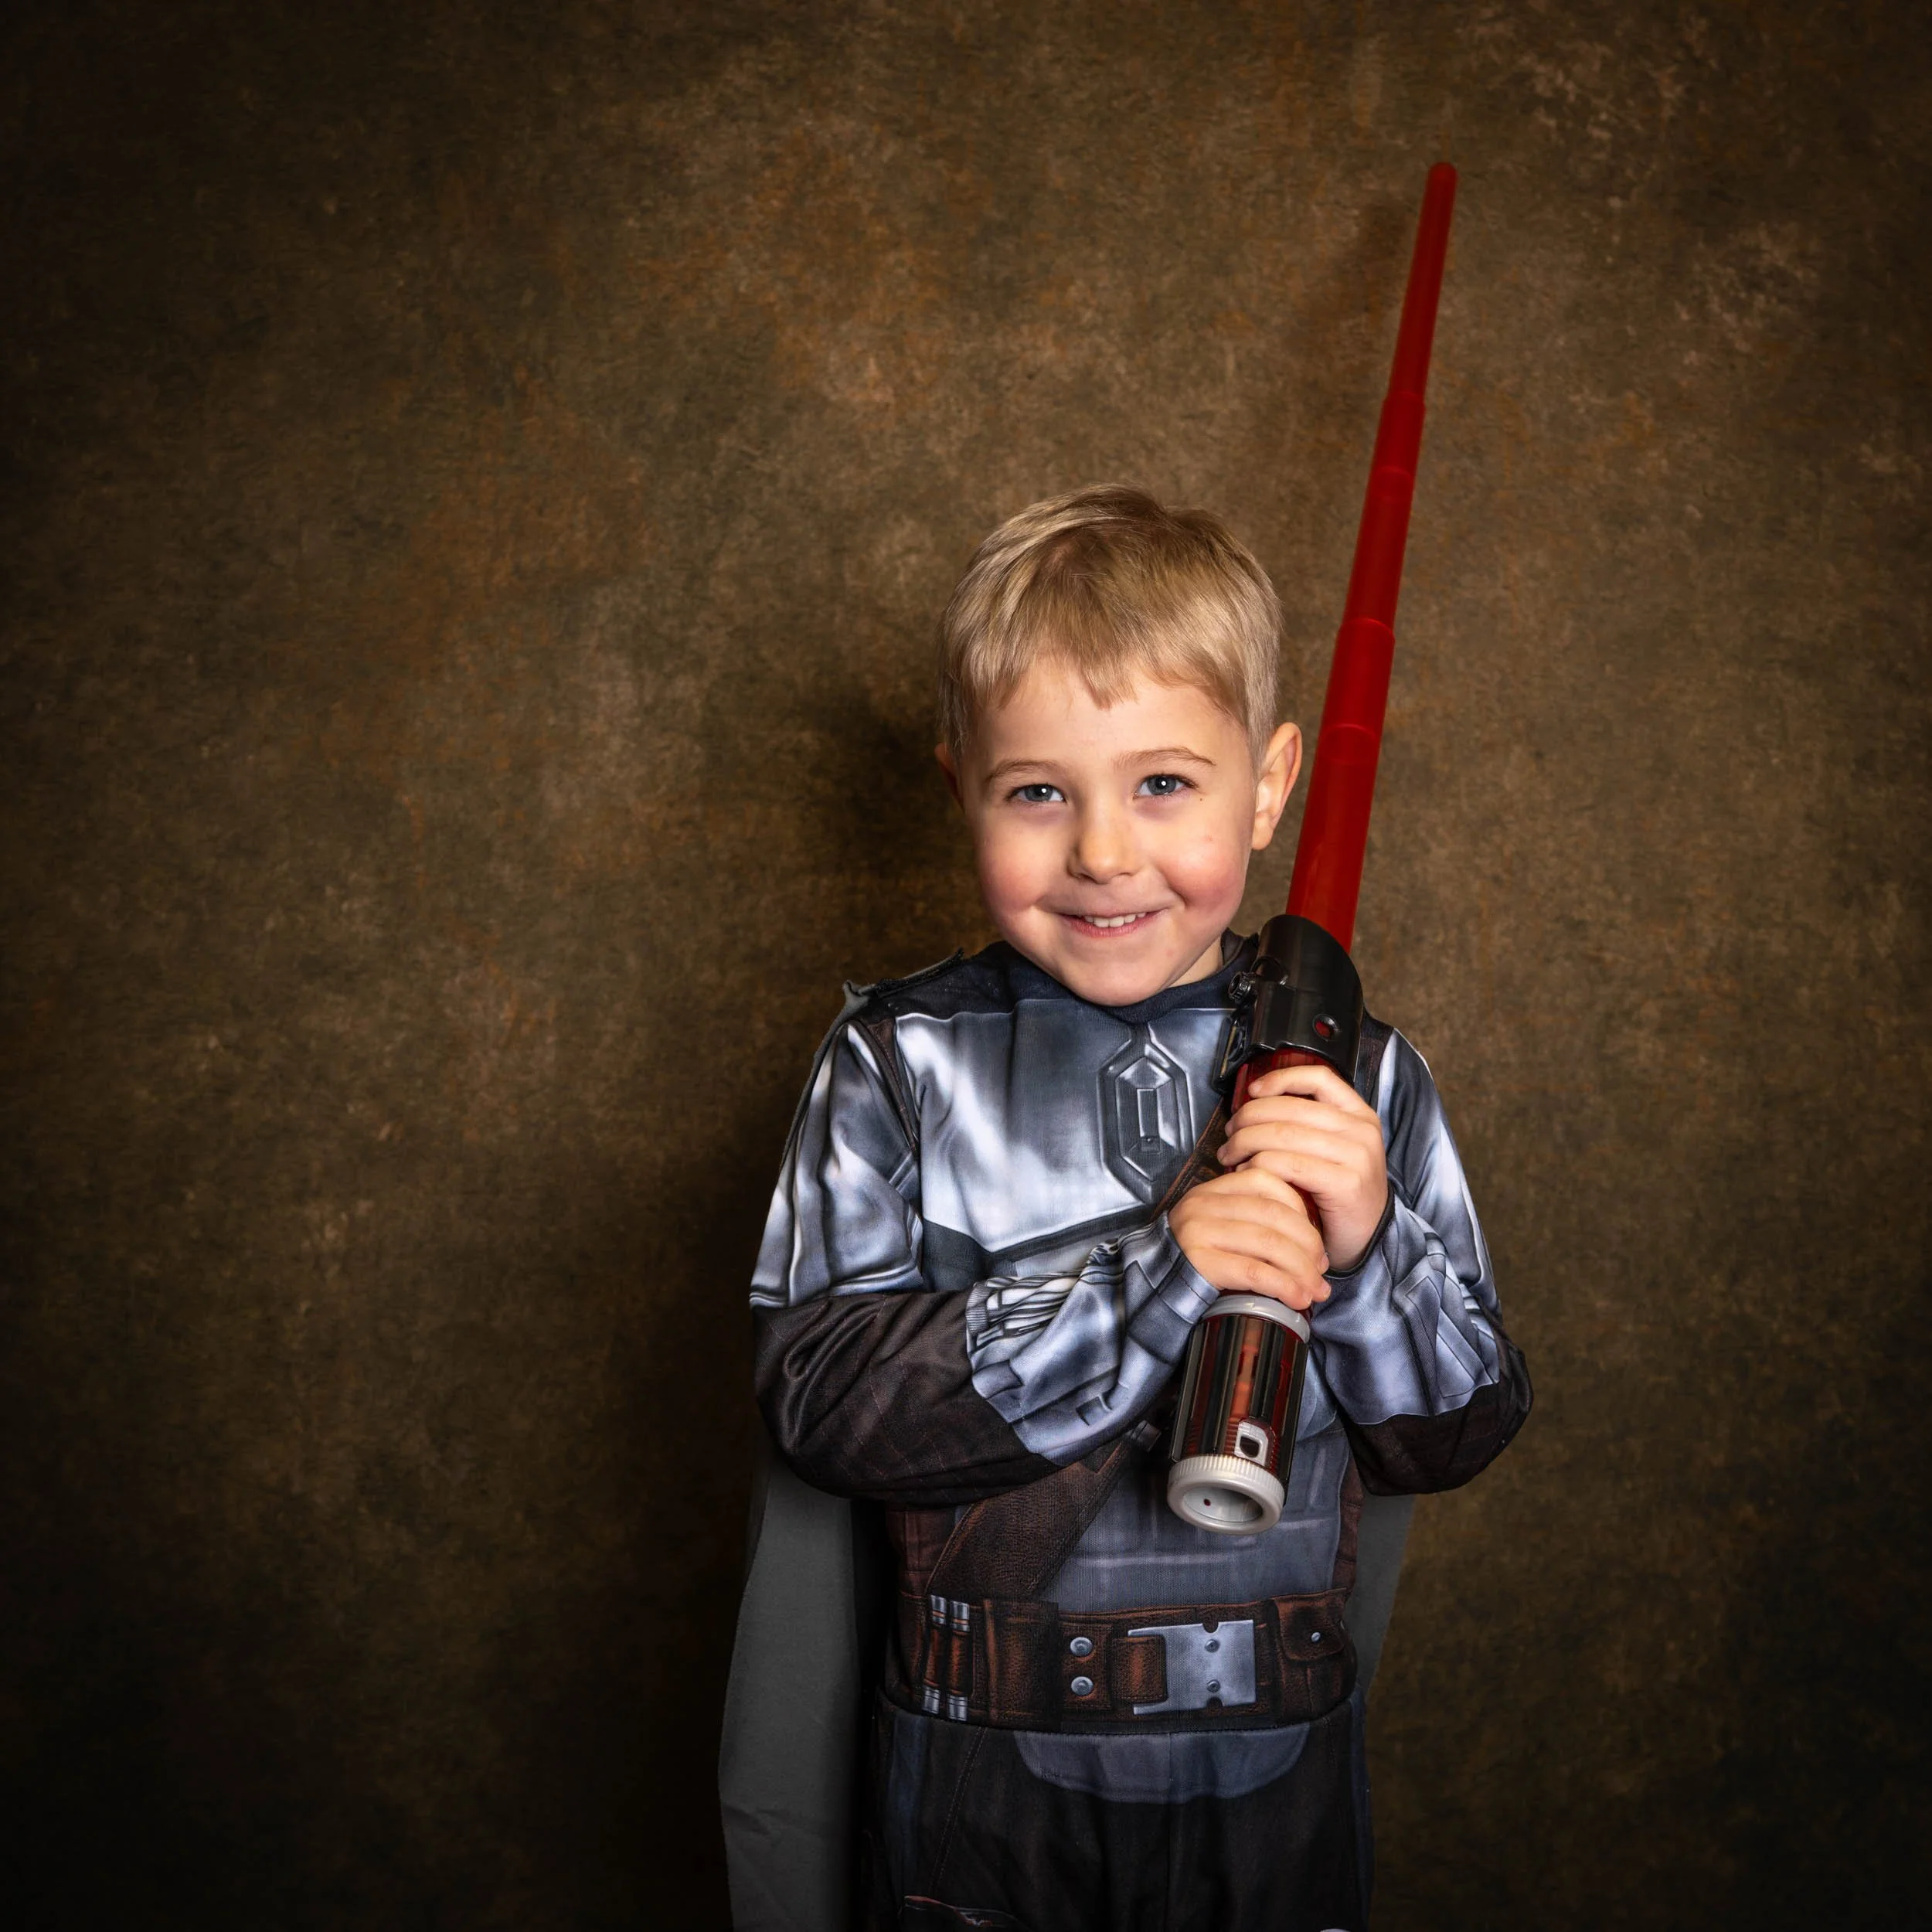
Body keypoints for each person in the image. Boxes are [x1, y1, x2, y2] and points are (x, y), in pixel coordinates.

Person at [719, 485, 1531, 1932]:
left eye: (1164, 784)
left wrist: (1367, 1256)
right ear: (961, 780)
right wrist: (1152, 1278)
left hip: (1273, 1768)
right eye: (1039, 790)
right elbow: (821, 1400)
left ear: (1270, 786)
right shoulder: (898, 1065)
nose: (1101, 851)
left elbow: (1458, 1433)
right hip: (977, 1784)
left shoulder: (1363, 1081)